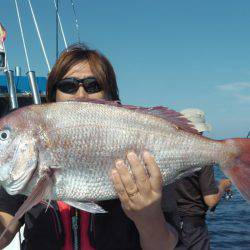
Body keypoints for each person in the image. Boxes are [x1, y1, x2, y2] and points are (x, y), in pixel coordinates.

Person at [0, 43, 178, 250]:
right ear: (52, 96)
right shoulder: (20, 170)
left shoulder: (144, 147)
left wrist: (148, 218)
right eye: (68, 85)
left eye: (94, 85)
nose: (81, 94)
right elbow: (4, 231)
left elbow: (165, 245)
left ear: (111, 97)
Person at [174, 108, 232, 250]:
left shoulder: (168, 153)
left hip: (166, 224)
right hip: (192, 227)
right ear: (200, 131)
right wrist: (223, 185)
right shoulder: (202, 157)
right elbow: (210, 200)